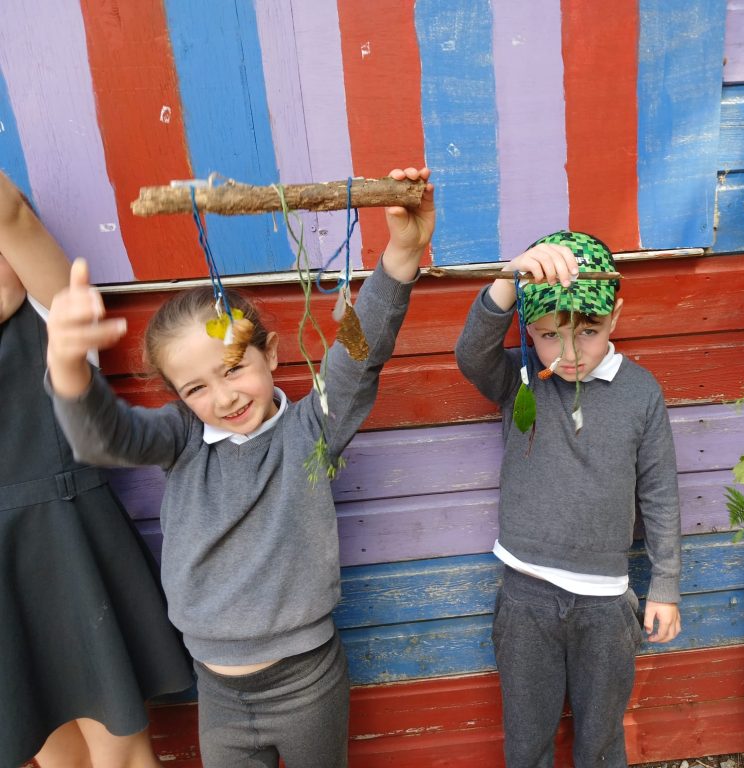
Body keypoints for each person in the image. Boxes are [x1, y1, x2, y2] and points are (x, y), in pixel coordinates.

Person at [45, 167, 434, 768]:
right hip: (219, 692)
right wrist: (70, 369)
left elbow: (360, 354)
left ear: (269, 353)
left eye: (233, 369)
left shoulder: (313, 427)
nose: (224, 397)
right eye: (196, 387)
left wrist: (402, 255)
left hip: (307, 684)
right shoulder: (180, 438)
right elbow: (107, 437)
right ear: (178, 397)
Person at [454, 231, 682, 768]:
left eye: (589, 331)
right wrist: (510, 278)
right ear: (528, 329)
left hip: (606, 603)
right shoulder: (521, 380)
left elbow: (659, 492)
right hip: (525, 595)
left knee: (600, 742)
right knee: (527, 741)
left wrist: (666, 585)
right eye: (550, 335)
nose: (571, 351)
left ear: (614, 318)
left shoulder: (641, 392)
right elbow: (471, 354)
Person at [0, 171, 193, 767]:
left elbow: (10, 213)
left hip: (66, 541)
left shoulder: (51, 313)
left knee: (120, 752)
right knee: (50, 754)